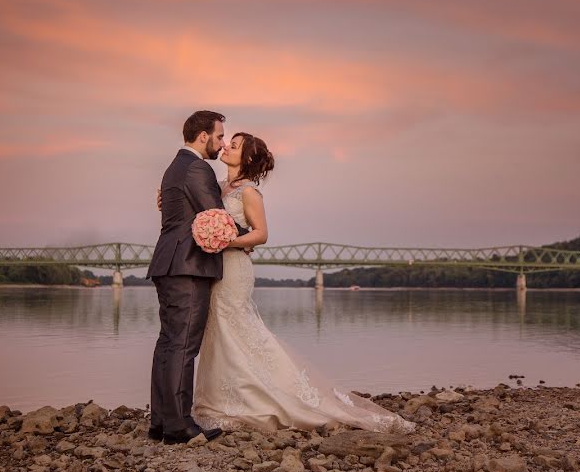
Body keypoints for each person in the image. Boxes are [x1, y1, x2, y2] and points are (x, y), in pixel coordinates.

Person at [191, 132, 414, 433]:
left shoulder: (249, 193)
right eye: (228, 142)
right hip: (215, 268)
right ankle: (218, 399)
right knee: (216, 327)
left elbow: (261, 234)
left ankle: (260, 399)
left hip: (234, 269)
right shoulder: (216, 188)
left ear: (247, 159)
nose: (226, 147)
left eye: (234, 146)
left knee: (237, 326)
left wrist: (226, 241)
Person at [145, 110, 228, 444]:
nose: (222, 144)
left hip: (168, 263)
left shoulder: (173, 167)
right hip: (188, 266)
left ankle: (162, 422)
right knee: (183, 344)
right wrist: (245, 234)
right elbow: (216, 215)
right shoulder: (197, 167)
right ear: (203, 136)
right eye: (220, 136)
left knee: (168, 342)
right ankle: (180, 425)